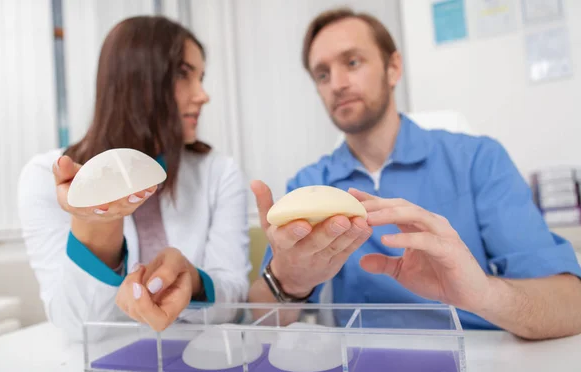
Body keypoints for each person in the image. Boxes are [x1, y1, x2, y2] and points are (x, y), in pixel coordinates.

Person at [249, 8, 581, 339]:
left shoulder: (478, 160)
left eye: (352, 62)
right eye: (322, 74)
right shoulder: (309, 188)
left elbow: (571, 304)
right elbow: (258, 323)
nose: (336, 84)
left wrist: (482, 294)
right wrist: (289, 282)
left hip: (482, 366)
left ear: (393, 68)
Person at [18, 16, 251, 341]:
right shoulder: (46, 177)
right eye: (184, 75)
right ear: (135, 80)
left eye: (201, 77)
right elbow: (76, 326)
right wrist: (97, 232)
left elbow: (234, 299)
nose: (203, 95)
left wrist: (193, 284)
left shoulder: (220, 172)